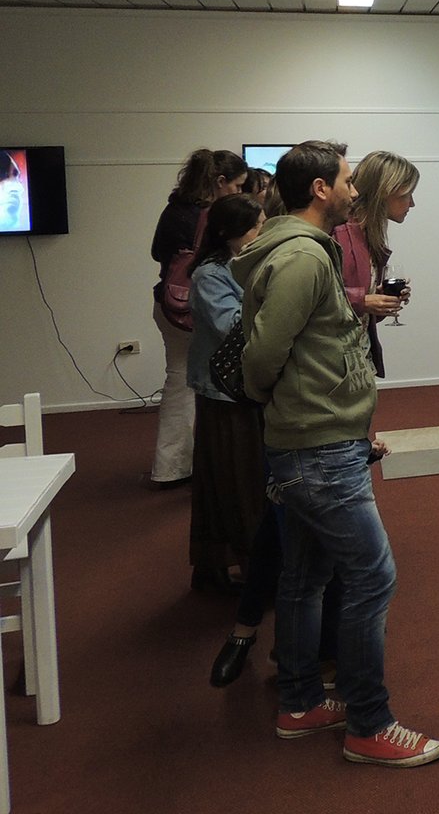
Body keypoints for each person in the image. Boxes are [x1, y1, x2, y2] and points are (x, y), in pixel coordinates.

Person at [232, 140, 439, 768]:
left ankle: (300, 703)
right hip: (318, 448)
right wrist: (288, 403)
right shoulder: (303, 257)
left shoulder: (307, 248)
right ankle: (369, 724)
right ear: (321, 189)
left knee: (304, 578)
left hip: (315, 439)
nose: (356, 190)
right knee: (372, 577)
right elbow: (262, 356)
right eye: (349, 180)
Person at [148, 148, 247, 487]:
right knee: (197, 387)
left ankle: (173, 464)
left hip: (167, 304)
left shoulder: (174, 208)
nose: (239, 192)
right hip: (192, 309)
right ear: (220, 181)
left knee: (178, 382)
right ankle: (181, 467)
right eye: (237, 185)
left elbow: (157, 253)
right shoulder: (209, 217)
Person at [186, 193, 267, 594]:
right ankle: (243, 569)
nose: (262, 233)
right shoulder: (210, 275)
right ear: (227, 232)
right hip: (222, 392)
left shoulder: (247, 264)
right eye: (255, 227)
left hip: (244, 386)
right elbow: (233, 327)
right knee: (234, 483)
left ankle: (233, 567)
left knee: (242, 479)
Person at [333, 151, 418, 378]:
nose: (412, 203)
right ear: (383, 192)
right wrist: (363, 300)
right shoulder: (340, 233)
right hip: (334, 365)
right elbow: (316, 299)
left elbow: (360, 314)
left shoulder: (368, 235)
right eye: (406, 195)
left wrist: (378, 301)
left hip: (357, 360)